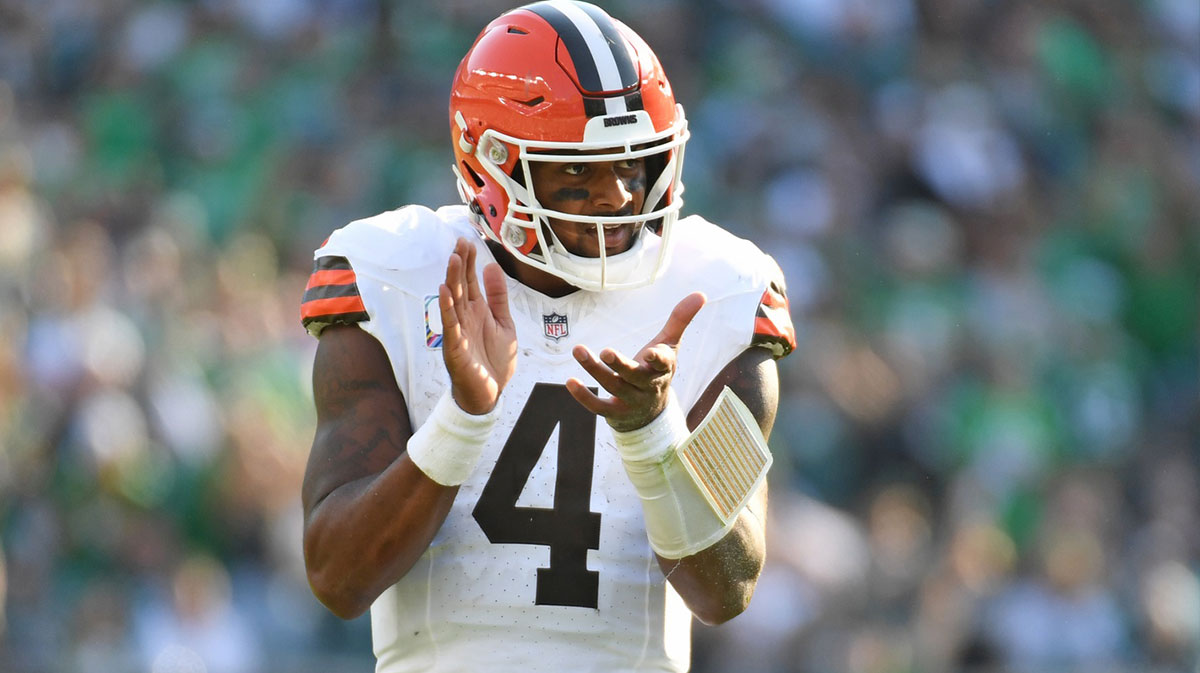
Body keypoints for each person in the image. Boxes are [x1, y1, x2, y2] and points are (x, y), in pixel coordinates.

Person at [298, 2, 796, 671]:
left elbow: (728, 586)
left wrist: (656, 434)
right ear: (491, 168)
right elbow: (338, 576)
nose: (619, 196)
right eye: (576, 171)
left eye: (632, 164)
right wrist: (463, 421)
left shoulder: (719, 288)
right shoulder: (394, 275)